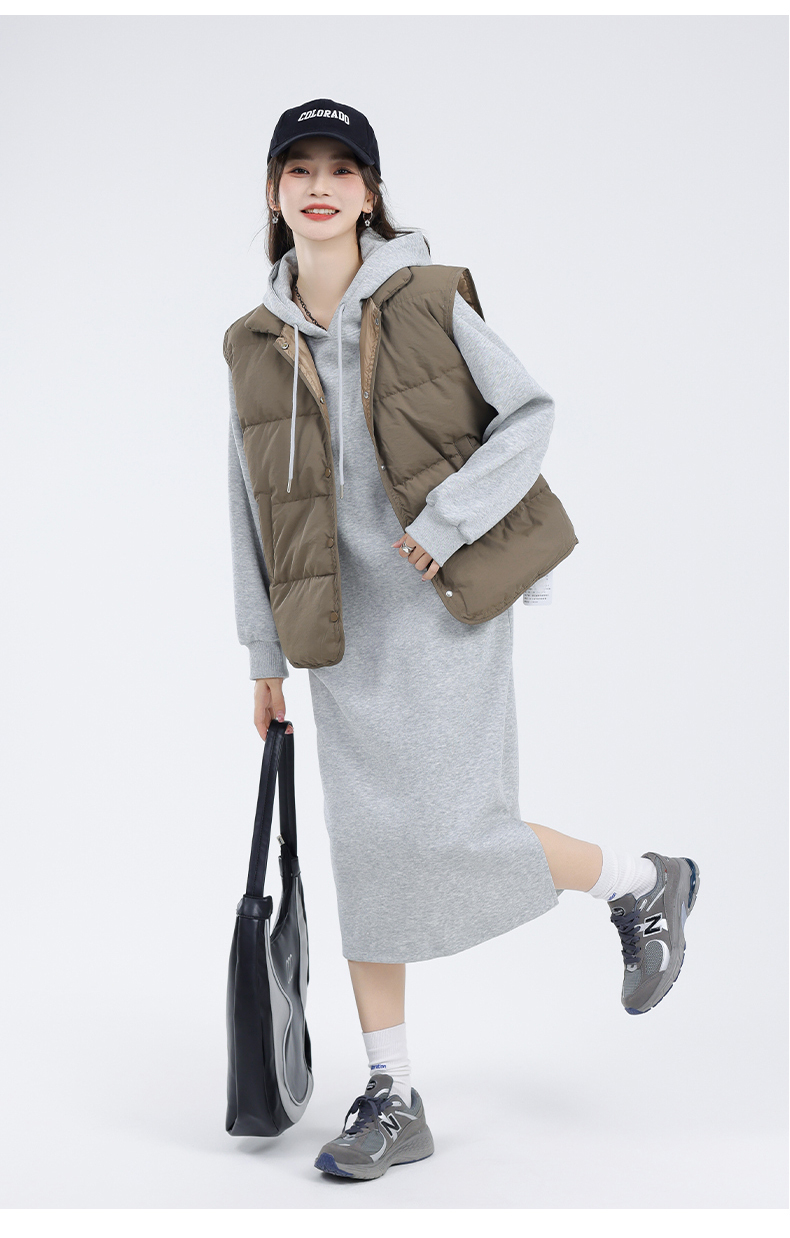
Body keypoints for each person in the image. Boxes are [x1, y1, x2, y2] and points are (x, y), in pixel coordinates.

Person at [224, 97, 701, 1182]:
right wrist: (261, 656)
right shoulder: (250, 344)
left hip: (441, 606)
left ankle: (638, 880)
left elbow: (529, 414)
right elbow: (243, 504)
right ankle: (392, 1092)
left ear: (370, 193)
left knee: (453, 831)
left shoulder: (430, 297)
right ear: (273, 193)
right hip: (334, 626)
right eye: (298, 168)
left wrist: (446, 524)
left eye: (341, 169)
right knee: (365, 854)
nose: (319, 186)